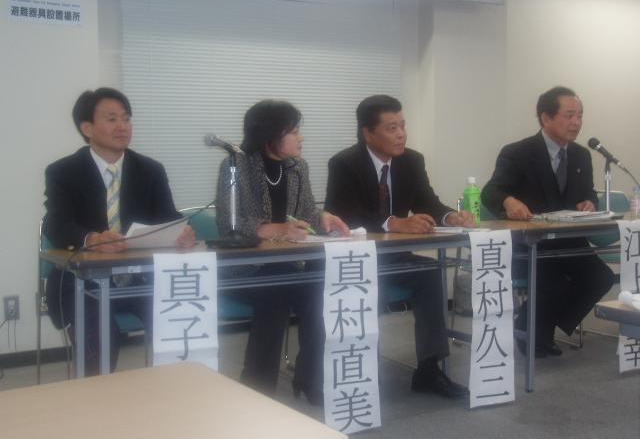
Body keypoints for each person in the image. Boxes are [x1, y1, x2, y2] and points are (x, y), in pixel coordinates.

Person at [324, 94, 473, 398]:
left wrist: (451, 216)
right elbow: (345, 215)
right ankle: (358, 368)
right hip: (357, 261)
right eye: (391, 128)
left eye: (403, 126)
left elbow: (428, 202)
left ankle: (429, 370)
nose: (401, 134)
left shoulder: (412, 161)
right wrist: (393, 223)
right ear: (368, 133)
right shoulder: (344, 163)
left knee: (431, 272)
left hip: (394, 258)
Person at [44, 87, 195, 375]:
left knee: (178, 320)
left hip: (140, 278)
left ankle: (178, 392)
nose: (123, 126)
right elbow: (58, 225)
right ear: (87, 128)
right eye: (112, 119)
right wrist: (91, 239)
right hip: (81, 282)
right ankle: (96, 399)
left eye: (126, 118)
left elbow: (168, 217)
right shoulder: (63, 172)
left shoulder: (150, 170)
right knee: (101, 335)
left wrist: (182, 231)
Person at [216, 100, 349, 404]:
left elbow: (306, 213)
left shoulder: (298, 167)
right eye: (294, 131)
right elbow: (229, 224)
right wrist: (275, 229)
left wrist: (323, 219)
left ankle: (311, 378)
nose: (301, 137)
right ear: (270, 136)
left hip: (288, 266)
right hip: (244, 270)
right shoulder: (236, 166)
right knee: (274, 297)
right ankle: (257, 391)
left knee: (322, 291)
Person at [481, 86, 615, 357]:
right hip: (531, 244)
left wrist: (590, 204)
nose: (576, 122)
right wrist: (509, 201)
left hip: (569, 242)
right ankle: (536, 333)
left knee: (602, 278)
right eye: (569, 115)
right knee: (556, 284)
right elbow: (490, 191)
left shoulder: (580, 155)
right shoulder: (518, 152)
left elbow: (589, 194)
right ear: (546, 118)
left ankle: (535, 326)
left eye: (580, 115)